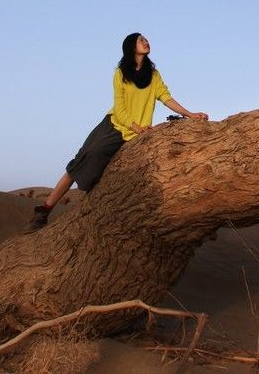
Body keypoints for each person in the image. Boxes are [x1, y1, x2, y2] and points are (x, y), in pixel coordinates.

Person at [27, 32, 208, 231]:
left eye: (146, 39)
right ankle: (44, 210)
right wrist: (136, 127)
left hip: (137, 133)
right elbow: (120, 109)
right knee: (83, 159)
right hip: (114, 125)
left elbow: (166, 97)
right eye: (141, 40)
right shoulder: (120, 73)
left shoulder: (154, 75)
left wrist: (190, 114)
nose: (146, 42)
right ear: (131, 47)